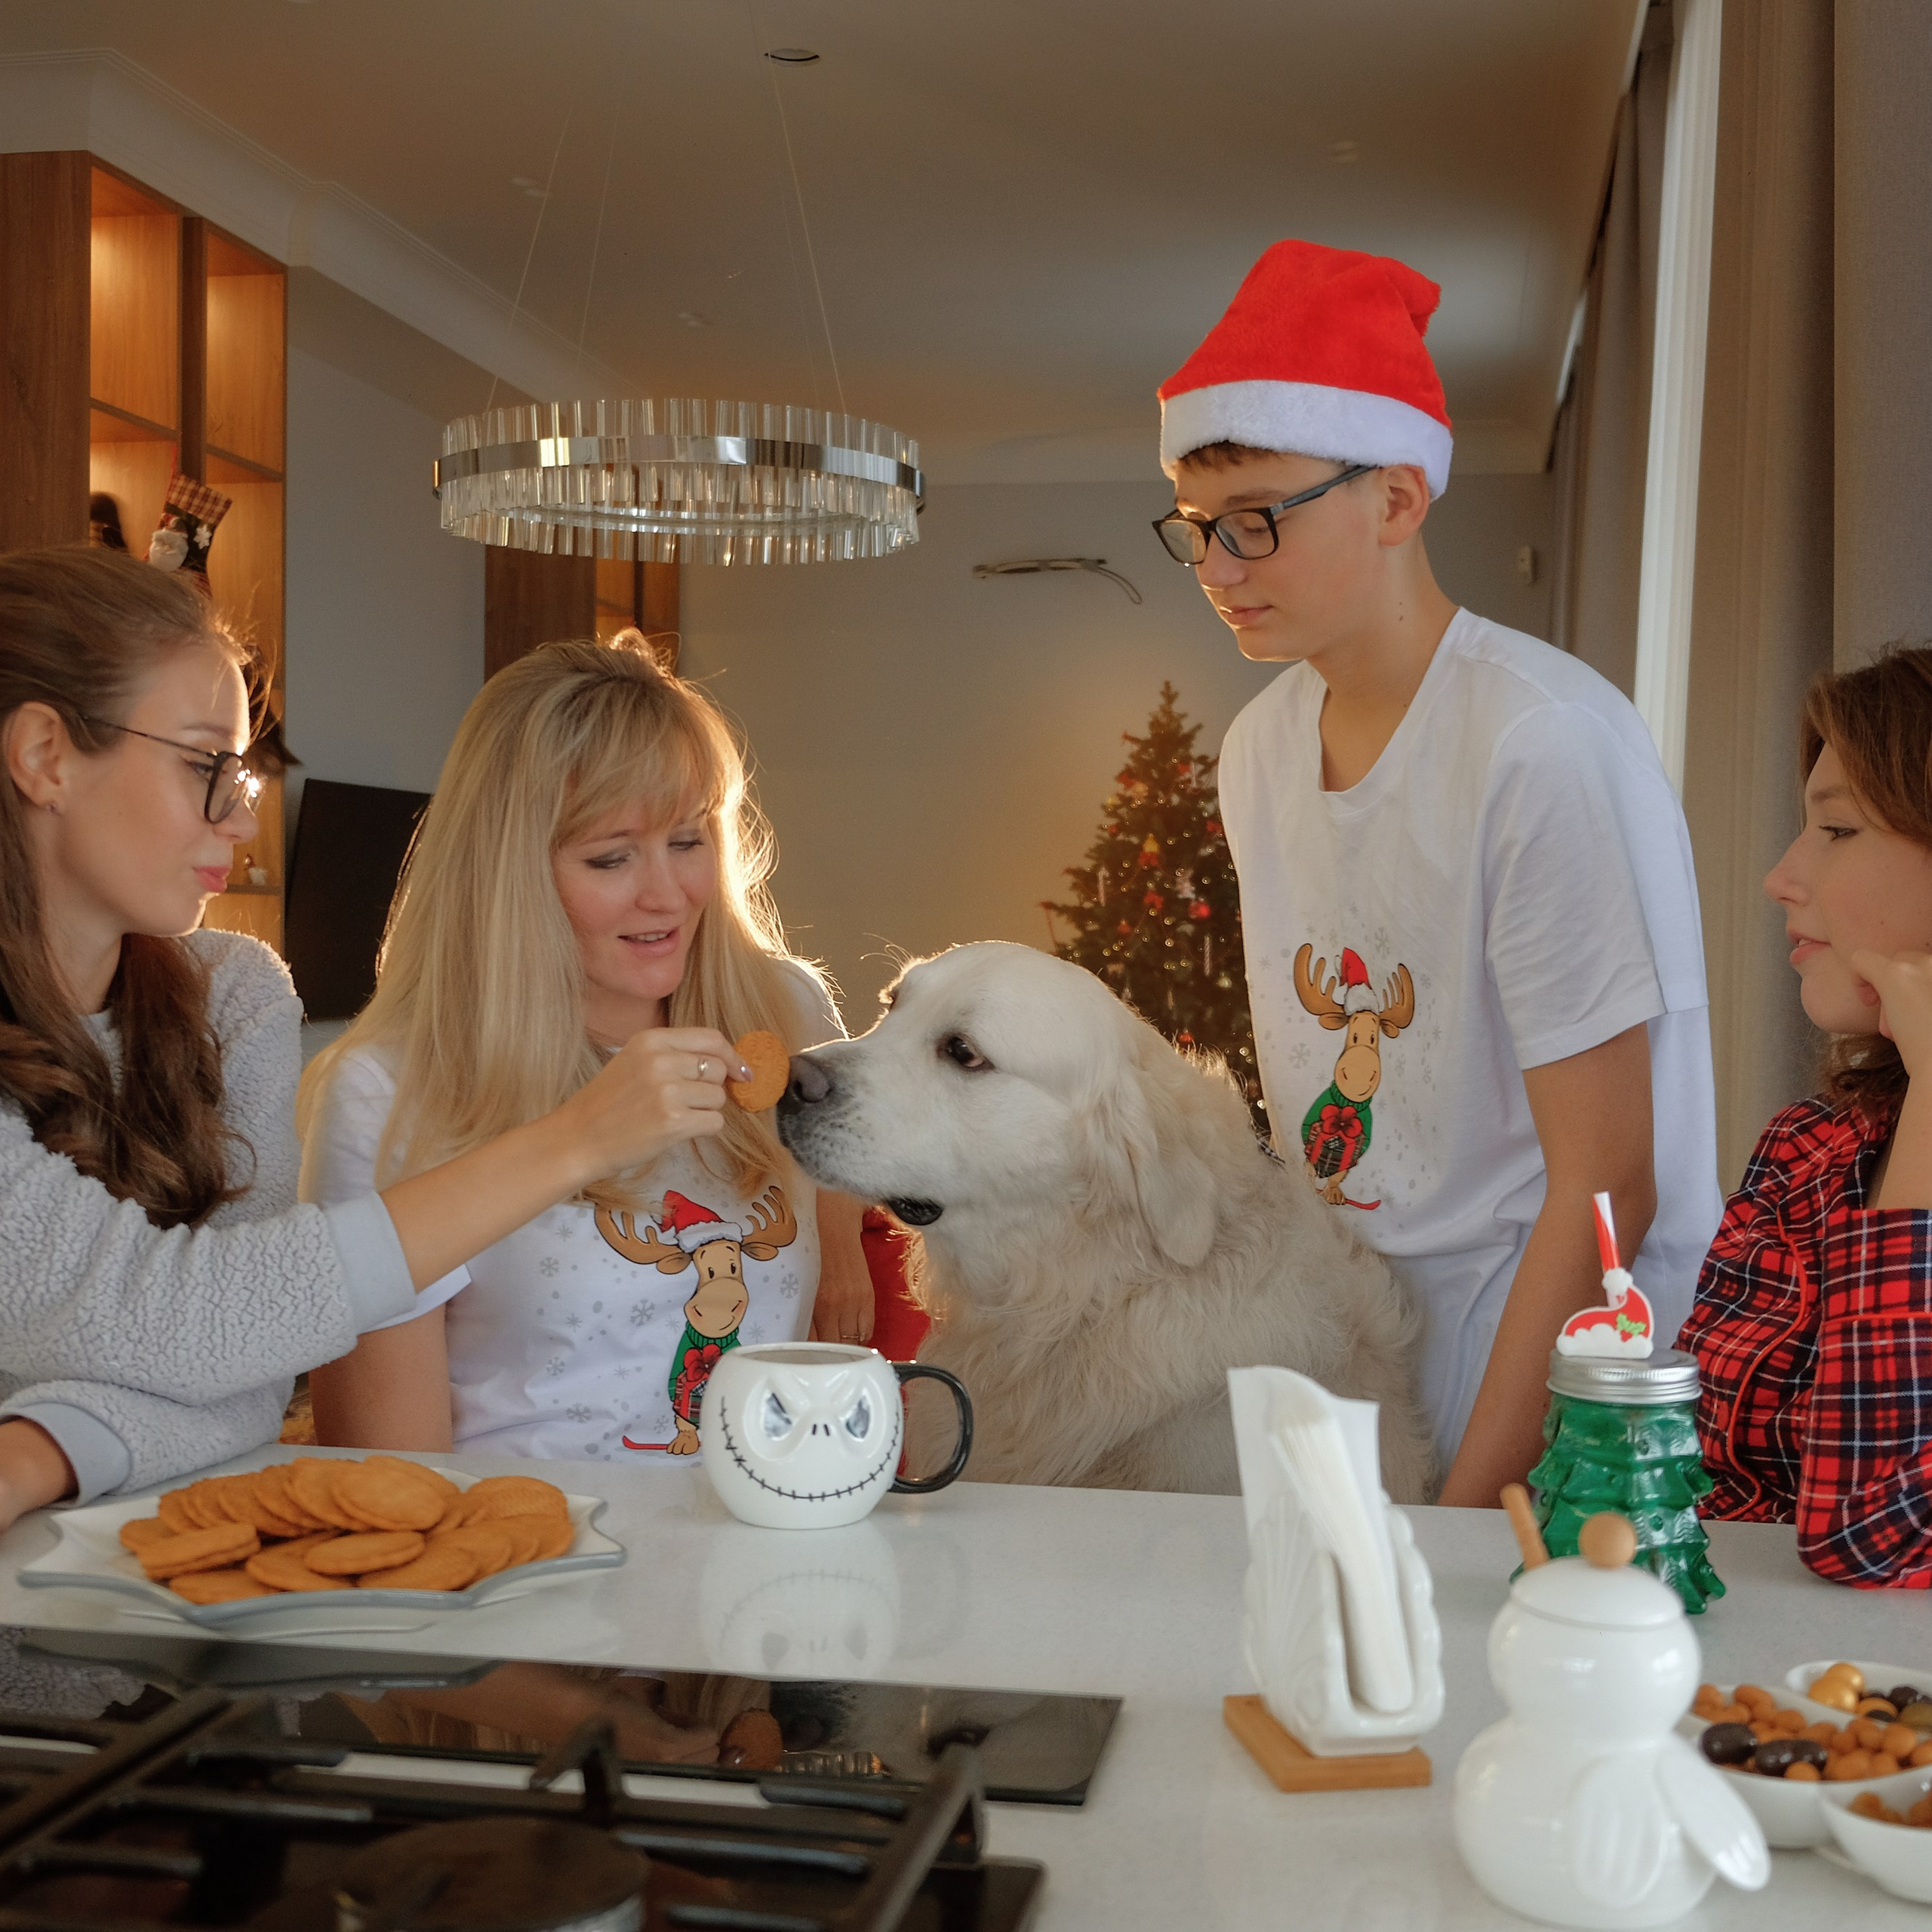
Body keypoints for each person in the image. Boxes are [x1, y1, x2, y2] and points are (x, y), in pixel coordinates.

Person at [0, 548, 749, 1534]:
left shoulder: (234, 998)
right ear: (47, 757)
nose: (239, 816)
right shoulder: (380, 1086)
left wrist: (33, 1454)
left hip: (180, 1651)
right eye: (203, 767)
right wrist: (577, 1139)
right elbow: (197, 1317)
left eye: (245, 775)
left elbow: (253, 1367)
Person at [1151, 239, 1721, 1501]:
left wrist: (1469, 1504)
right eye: (1195, 530)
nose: (1217, 570)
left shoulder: (1535, 741)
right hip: (1351, 1334)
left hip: (1540, 1361)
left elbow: (1611, 1179)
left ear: (1398, 499)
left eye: (1256, 524)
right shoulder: (1258, 752)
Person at [299, 633, 879, 1461]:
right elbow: (388, 1475)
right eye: (611, 855)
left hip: (763, 1555)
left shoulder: (784, 1010)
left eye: (688, 840)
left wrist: (842, 1227)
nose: (668, 893)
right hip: (531, 1565)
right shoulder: (384, 1092)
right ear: (509, 873)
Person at [1681, 649, 1932, 1586]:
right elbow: (1690, 1479)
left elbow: (1883, 1532)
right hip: (1734, 1693)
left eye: (1835, 830)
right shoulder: (1808, 1151)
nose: (1781, 877)